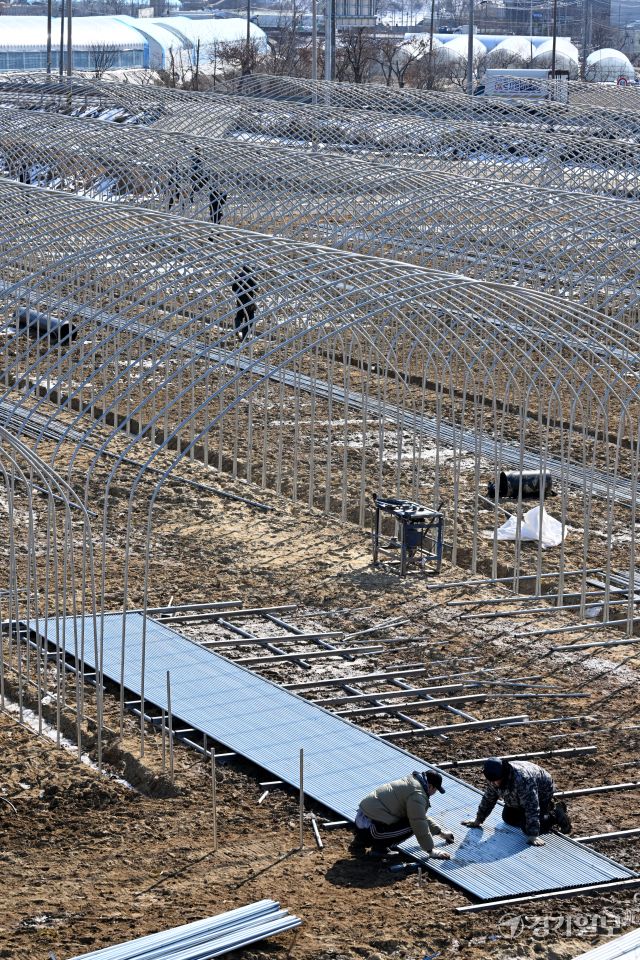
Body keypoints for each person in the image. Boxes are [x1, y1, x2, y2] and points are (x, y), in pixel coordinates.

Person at [462, 757, 572, 847]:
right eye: (492, 781)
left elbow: (532, 806)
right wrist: (478, 820)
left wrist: (533, 835)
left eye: (497, 780)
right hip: (519, 794)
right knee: (508, 818)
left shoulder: (522, 780)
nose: (495, 783)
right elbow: (488, 799)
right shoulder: (494, 777)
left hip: (541, 791)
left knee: (526, 828)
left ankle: (555, 815)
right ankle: (534, 815)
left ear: (504, 774)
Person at [351, 770, 454, 860]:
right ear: (430, 786)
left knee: (412, 819)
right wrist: (431, 851)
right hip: (373, 829)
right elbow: (418, 822)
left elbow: (419, 815)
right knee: (413, 825)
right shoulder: (418, 795)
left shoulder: (411, 782)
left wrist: (440, 833)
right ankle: (379, 849)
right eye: (435, 790)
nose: (434, 793)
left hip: (361, 821)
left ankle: (361, 839)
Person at [232, 267, 258, 341]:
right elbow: (255, 289)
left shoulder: (238, 276)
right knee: (249, 319)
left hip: (240, 299)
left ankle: (236, 329)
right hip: (249, 300)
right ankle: (244, 336)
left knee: (240, 315)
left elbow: (233, 288)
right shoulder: (251, 277)